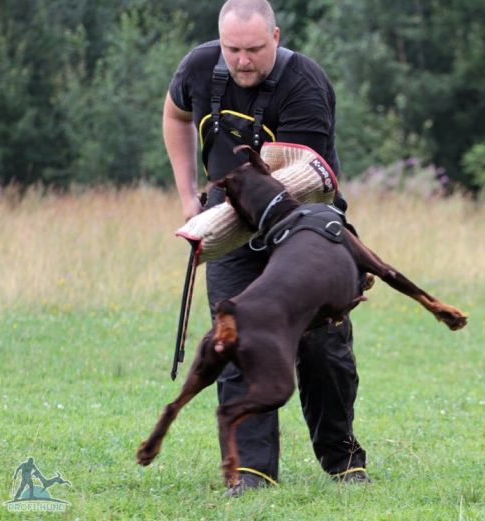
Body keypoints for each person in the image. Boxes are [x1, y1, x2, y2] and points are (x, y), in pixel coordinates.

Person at [163, 0, 368, 496]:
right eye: (232, 49)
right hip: (229, 222)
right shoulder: (198, 66)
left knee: (321, 346)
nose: (242, 60)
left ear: (275, 37)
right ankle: (251, 472)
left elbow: (299, 183)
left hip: (304, 226)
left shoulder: (304, 85)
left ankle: (342, 460)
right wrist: (189, 196)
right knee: (236, 338)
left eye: (254, 49)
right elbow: (175, 114)